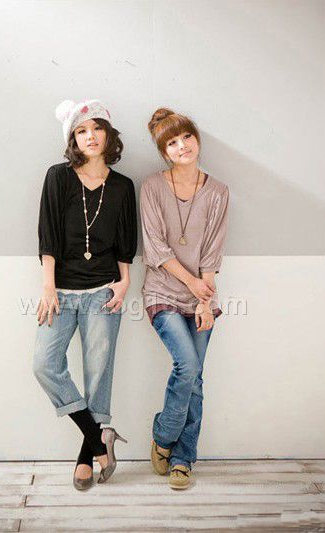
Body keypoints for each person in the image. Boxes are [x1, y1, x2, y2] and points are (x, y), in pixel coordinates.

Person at [33, 99, 137, 490]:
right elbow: (47, 235)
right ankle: (99, 439)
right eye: (81, 130)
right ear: (73, 139)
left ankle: (85, 457)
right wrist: (47, 286)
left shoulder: (123, 186)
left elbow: (126, 241)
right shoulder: (58, 177)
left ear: (108, 135)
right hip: (60, 291)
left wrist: (125, 281)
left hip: (103, 292)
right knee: (45, 364)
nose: (90, 136)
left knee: (98, 374)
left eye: (96, 128)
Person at [140, 107, 230, 490]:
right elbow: (156, 248)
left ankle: (182, 459)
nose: (182, 146)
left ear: (197, 139)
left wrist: (205, 300)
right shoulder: (152, 187)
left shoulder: (218, 192)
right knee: (188, 364)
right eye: (172, 143)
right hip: (162, 291)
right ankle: (164, 435)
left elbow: (212, 252)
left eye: (186, 137)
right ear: (165, 152)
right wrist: (192, 285)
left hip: (201, 295)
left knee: (196, 378)